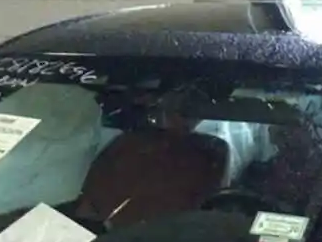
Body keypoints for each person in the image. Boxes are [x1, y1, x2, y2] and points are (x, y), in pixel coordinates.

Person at [72, 85, 228, 228]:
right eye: (179, 109)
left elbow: (210, 206)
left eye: (188, 110)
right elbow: (87, 205)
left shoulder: (209, 152)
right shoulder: (128, 143)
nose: (183, 117)